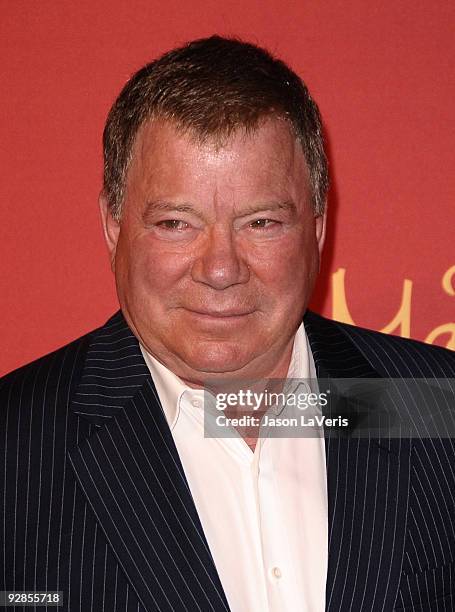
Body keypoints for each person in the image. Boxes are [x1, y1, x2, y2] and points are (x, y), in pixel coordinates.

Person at [1, 36, 454, 612]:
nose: (220, 269)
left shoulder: (435, 406)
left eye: (261, 222)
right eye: (175, 223)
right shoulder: (14, 447)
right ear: (113, 227)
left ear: (316, 229)